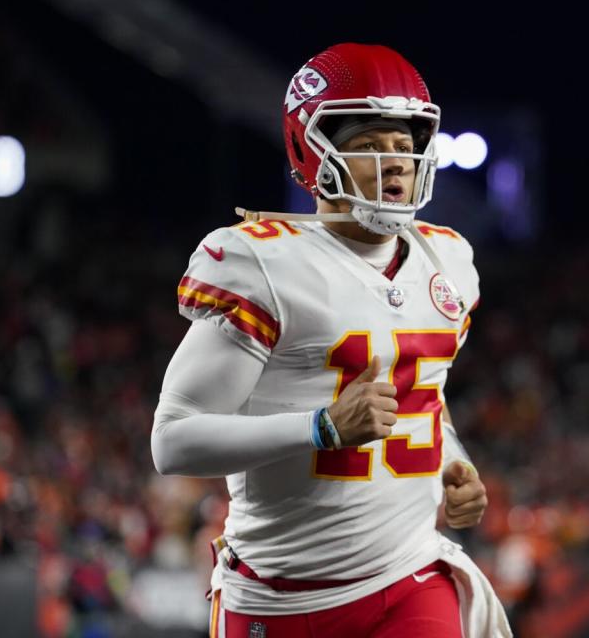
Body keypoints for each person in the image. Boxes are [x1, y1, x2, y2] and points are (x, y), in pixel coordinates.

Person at [151, 42, 511, 638]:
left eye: (405, 145)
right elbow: (173, 441)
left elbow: (420, 396)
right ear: (312, 150)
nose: (395, 162)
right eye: (371, 145)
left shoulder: (446, 258)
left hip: (411, 575)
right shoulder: (260, 262)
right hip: (281, 596)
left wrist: (454, 462)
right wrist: (320, 427)